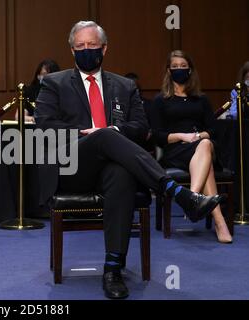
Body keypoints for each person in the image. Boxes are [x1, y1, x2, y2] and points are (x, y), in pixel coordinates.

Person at [34, 20, 224, 299]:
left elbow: (142, 128)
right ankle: (175, 191)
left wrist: (115, 130)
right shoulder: (53, 83)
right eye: (80, 46)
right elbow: (44, 127)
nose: (86, 50)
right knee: (102, 136)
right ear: (72, 51)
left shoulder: (125, 86)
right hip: (71, 164)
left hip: (112, 165)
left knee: (119, 171)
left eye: (92, 45)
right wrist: (86, 133)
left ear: (105, 48)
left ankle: (113, 270)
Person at [151, 50, 233, 244]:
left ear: (190, 70)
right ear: (168, 71)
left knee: (204, 144)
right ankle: (219, 221)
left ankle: (192, 198)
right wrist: (182, 136)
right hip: (175, 150)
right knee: (207, 164)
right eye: (175, 67)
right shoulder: (160, 100)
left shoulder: (201, 99)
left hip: (201, 145)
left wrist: (196, 136)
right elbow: (156, 135)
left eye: (183, 66)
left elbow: (213, 129)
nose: (179, 69)